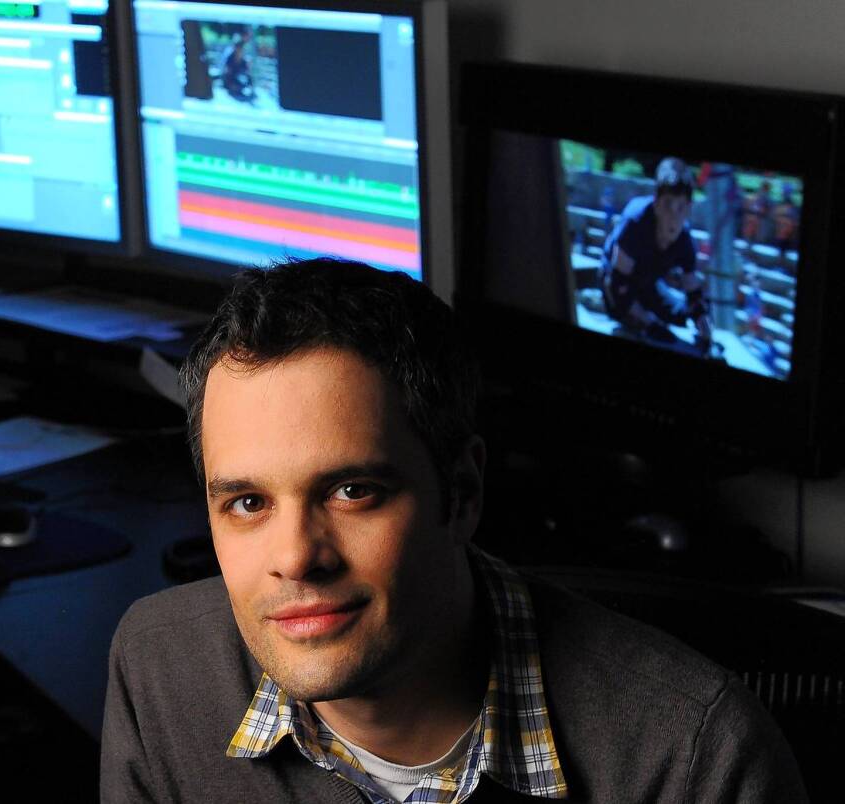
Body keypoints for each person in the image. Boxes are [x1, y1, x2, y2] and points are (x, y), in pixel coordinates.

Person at [101, 258, 807, 803]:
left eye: (353, 491)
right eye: (248, 504)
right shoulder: (160, 669)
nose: (295, 558)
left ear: (462, 492)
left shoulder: (695, 759)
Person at [600, 157, 715, 353]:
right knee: (646, 327)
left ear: (688, 209)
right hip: (617, 286)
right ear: (656, 204)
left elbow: (693, 289)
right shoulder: (634, 223)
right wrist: (648, 322)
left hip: (648, 283)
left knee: (680, 315)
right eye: (668, 204)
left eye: (681, 207)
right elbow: (617, 285)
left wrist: (704, 326)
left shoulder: (685, 240)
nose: (673, 215)